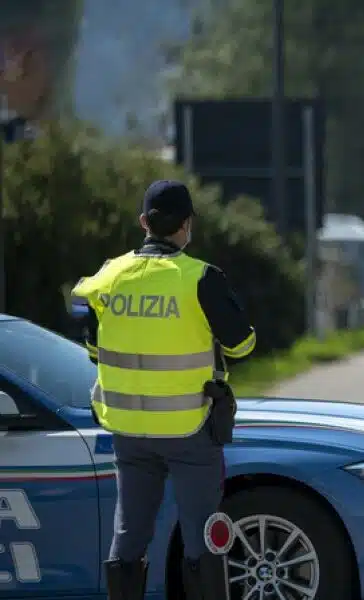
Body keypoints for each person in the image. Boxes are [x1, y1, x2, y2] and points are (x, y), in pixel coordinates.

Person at [71, 180, 257, 600]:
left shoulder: (109, 276)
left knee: (129, 536)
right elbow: (243, 346)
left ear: (143, 223)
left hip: (129, 431)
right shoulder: (200, 278)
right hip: (189, 427)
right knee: (203, 538)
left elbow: (95, 351)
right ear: (187, 225)